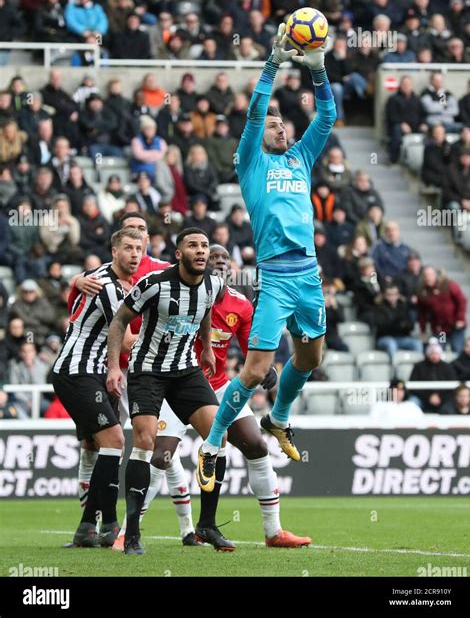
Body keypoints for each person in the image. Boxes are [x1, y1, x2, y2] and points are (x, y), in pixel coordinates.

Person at [196, 24, 336, 489]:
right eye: (274, 126)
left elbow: (328, 117)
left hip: (309, 274)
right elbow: (257, 111)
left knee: (310, 357)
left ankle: (279, 418)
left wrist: (317, 70)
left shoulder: (300, 159)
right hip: (275, 276)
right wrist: (274, 61)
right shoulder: (253, 163)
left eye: (284, 125)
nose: (279, 127)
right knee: (256, 370)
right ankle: (213, 442)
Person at [114, 244, 311, 550]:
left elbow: (252, 349)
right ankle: (128, 531)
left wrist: (266, 369)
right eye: (212, 257)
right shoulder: (174, 291)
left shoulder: (240, 305)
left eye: (223, 258)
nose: (217, 262)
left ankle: (272, 531)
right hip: (168, 379)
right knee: (160, 455)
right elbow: (135, 327)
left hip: (216, 385)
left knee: (256, 445)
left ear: (230, 268)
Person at [105, 228, 228, 555]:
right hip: (148, 370)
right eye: (193, 245)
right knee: (145, 441)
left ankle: (207, 524)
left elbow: (205, 311)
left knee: (218, 435)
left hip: (186, 370)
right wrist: (115, 366)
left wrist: (206, 349)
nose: (201, 251)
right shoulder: (154, 284)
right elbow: (119, 321)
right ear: (179, 254)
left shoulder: (214, 284)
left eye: (204, 245)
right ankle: (131, 534)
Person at [52, 228, 143, 547]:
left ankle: (89, 528)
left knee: (100, 444)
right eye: (128, 248)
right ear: (114, 251)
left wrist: (74, 280)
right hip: (78, 371)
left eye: (139, 248)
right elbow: (126, 339)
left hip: (89, 371)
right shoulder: (109, 286)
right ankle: (109, 523)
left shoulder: (100, 277)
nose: (135, 254)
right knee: (115, 439)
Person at [417, 266, 467, 353]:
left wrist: (460, 318)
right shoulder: (423, 292)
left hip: (455, 326)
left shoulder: (448, 285)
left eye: (430, 275)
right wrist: (423, 329)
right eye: (425, 276)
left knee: (457, 348)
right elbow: (422, 313)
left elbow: (461, 301)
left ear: (435, 275)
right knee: (439, 349)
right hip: (441, 330)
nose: (428, 278)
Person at [370, 284, 423, 361]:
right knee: (391, 344)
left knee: (416, 343)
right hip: (384, 338)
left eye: (395, 294)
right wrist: (398, 324)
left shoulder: (403, 306)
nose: (392, 297)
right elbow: (381, 326)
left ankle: (418, 367)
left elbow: (410, 325)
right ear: (384, 295)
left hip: (402, 337)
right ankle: (394, 369)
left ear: (398, 295)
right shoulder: (379, 307)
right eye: (389, 294)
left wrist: (402, 325)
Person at [409, 339, 458, 412]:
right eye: (432, 353)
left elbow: (453, 386)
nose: (434, 356)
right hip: (423, 398)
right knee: (413, 402)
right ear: (428, 354)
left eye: (437, 353)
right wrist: (429, 397)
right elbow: (413, 386)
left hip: (444, 399)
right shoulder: (418, 367)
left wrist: (439, 396)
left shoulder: (447, 367)